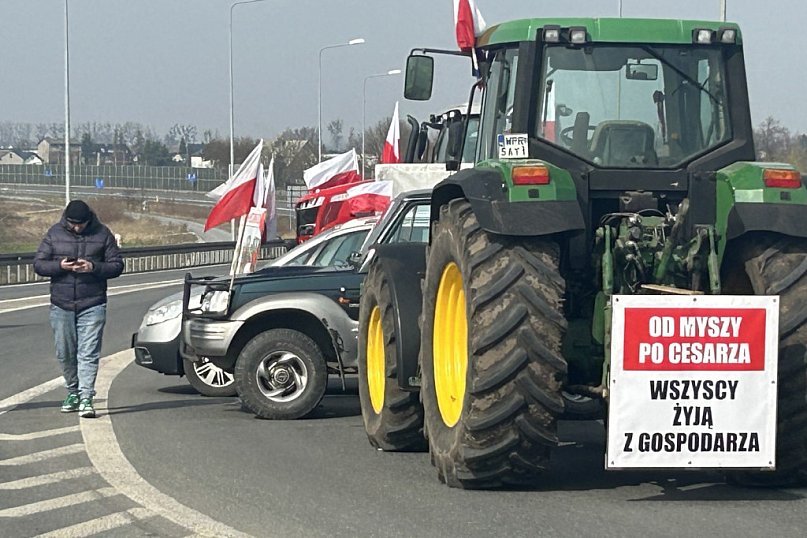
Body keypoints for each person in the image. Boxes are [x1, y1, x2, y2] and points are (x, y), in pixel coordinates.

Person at [34, 199, 124, 418]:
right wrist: (60, 266)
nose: (76, 227)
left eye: (80, 224)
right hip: (61, 304)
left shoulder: (103, 234)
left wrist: (93, 267)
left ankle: (86, 398)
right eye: (73, 224)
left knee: (88, 353)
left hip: (92, 302)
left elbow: (117, 265)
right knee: (65, 353)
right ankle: (72, 391)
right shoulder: (54, 233)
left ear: (88, 220)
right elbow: (38, 264)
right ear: (66, 220)